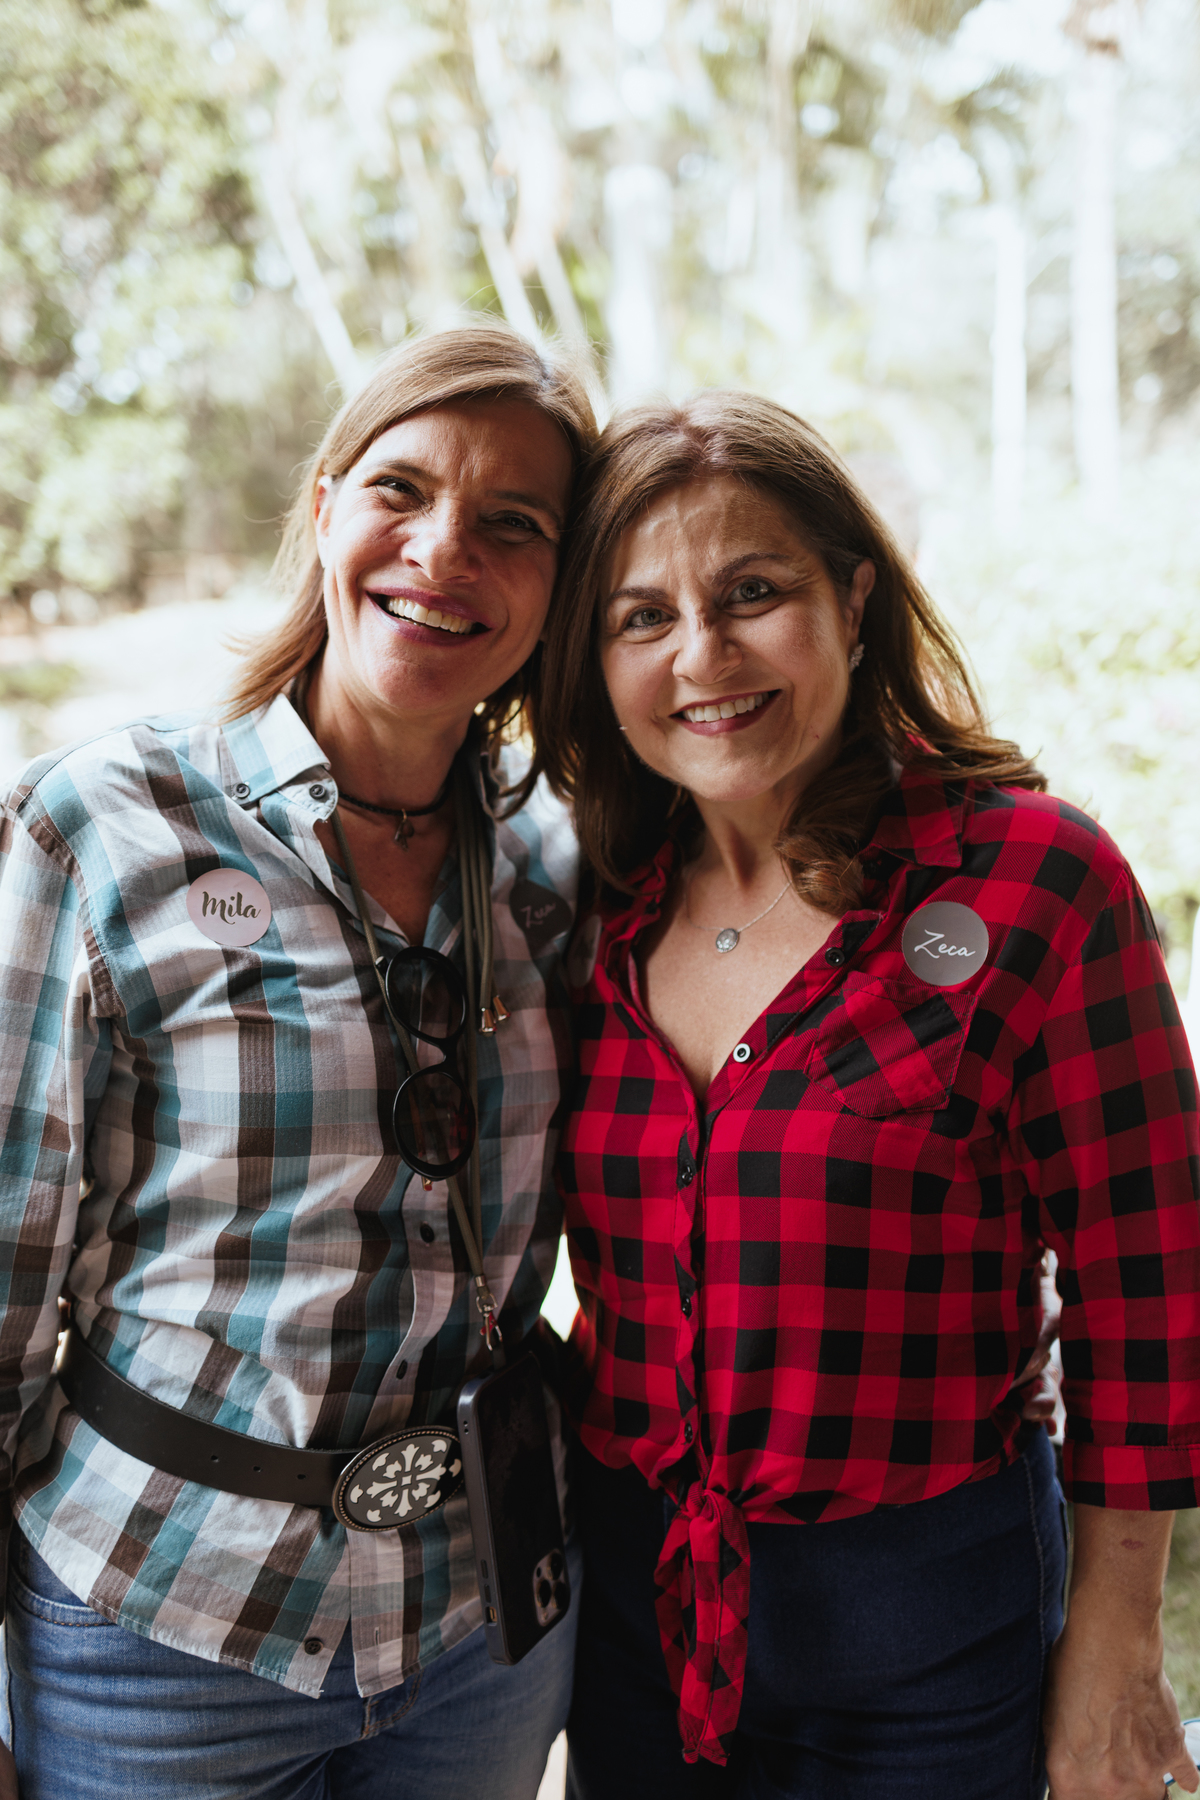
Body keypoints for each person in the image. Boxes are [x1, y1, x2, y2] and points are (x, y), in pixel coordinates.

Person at [538, 391, 1200, 1800]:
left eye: (752, 593)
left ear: (851, 599)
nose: (703, 655)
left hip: (930, 1617)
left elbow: (1151, 1286)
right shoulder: (583, 902)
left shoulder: (1033, 883)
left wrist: (1118, 1643)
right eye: (643, 617)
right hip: (636, 1606)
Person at [0, 322, 595, 1799]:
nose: (445, 550)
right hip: (162, 1626)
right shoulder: (104, 823)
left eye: (513, 523)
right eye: (402, 489)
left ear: (560, 583)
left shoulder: (554, 873)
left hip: (478, 1632)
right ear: (326, 509)